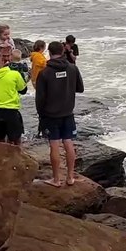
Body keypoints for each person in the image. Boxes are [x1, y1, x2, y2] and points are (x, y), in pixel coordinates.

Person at [36, 41, 84, 187]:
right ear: (63, 51)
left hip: (50, 115)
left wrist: (41, 116)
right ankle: (70, 177)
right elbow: (80, 88)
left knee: (54, 145)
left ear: (49, 53)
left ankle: (56, 179)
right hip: (68, 113)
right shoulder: (72, 68)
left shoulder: (44, 73)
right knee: (68, 142)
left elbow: (40, 99)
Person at [0, 50, 27, 145]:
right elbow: (23, 90)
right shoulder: (14, 74)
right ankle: (17, 157)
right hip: (11, 110)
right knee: (16, 139)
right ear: (3, 61)